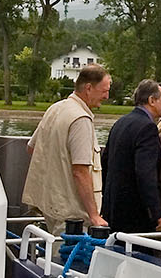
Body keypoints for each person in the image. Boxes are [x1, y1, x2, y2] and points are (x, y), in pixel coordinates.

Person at [23, 65, 111, 236]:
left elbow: (32, 148)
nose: (107, 96)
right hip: (71, 216)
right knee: (68, 253)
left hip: (50, 206)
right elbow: (80, 171)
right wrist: (94, 216)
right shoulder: (81, 119)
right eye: (104, 91)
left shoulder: (55, 109)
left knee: (51, 251)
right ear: (88, 88)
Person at [99, 79, 161, 234]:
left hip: (113, 205)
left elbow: (105, 162)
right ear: (152, 100)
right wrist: (156, 211)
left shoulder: (120, 122)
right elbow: (145, 173)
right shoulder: (148, 128)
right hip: (135, 212)